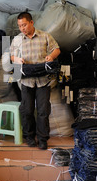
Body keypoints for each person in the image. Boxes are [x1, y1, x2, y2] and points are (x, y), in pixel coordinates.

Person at [9, 12, 60, 150]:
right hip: (26, 80)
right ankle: (30, 137)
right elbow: (12, 56)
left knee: (43, 111)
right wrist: (17, 59)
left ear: (31, 23)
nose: (22, 28)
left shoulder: (45, 36)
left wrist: (51, 56)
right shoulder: (18, 39)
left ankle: (43, 139)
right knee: (27, 110)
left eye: (24, 25)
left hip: (43, 79)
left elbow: (56, 49)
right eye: (20, 26)